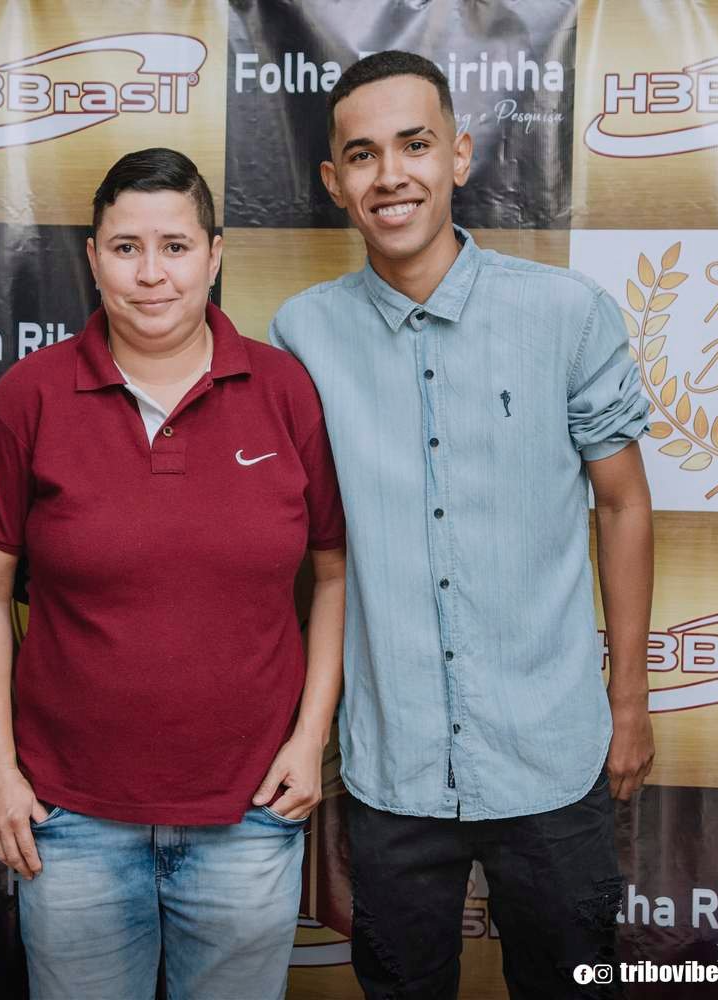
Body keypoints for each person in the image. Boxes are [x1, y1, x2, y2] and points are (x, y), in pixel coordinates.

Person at [269, 51, 656, 999]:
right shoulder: (300, 335)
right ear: (334, 181)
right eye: (362, 155)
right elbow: (301, 546)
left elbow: (623, 504)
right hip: (392, 765)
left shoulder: (567, 314)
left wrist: (630, 700)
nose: (389, 175)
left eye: (414, 145)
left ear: (459, 155)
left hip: (551, 756)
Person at [0, 147, 347, 1000]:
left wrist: (310, 738)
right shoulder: (27, 398)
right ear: (92, 258)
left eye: (175, 246)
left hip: (250, 810)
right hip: (69, 817)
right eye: (126, 247)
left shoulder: (285, 391)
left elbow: (334, 574)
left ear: (214, 255)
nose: (151, 274)